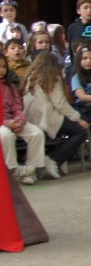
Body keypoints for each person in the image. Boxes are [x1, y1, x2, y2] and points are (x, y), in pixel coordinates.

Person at [21, 51, 88, 179]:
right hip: (47, 118)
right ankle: (54, 159)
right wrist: (78, 118)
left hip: (30, 119)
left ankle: (58, 161)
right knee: (80, 132)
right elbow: (60, 104)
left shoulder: (29, 77)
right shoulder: (52, 78)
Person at [0, 54, 45, 185]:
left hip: (13, 121)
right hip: (3, 124)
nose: (1, 69)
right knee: (6, 135)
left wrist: (20, 119)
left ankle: (30, 171)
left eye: (3, 66)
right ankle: (12, 171)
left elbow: (17, 106)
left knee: (36, 133)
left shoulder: (9, 86)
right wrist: (7, 123)